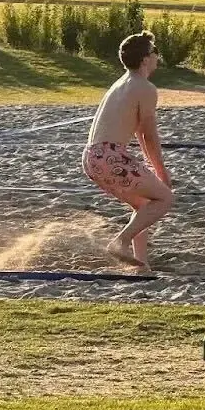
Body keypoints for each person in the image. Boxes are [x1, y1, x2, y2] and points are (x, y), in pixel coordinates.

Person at [81, 30, 174, 271]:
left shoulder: (121, 83)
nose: (157, 57)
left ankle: (140, 264)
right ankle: (120, 241)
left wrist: (152, 167)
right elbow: (150, 135)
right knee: (164, 198)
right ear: (145, 59)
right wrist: (161, 171)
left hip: (92, 157)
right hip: (109, 156)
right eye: (154, 52)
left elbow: (142, 134)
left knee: (144, 206)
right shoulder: (145, 87)